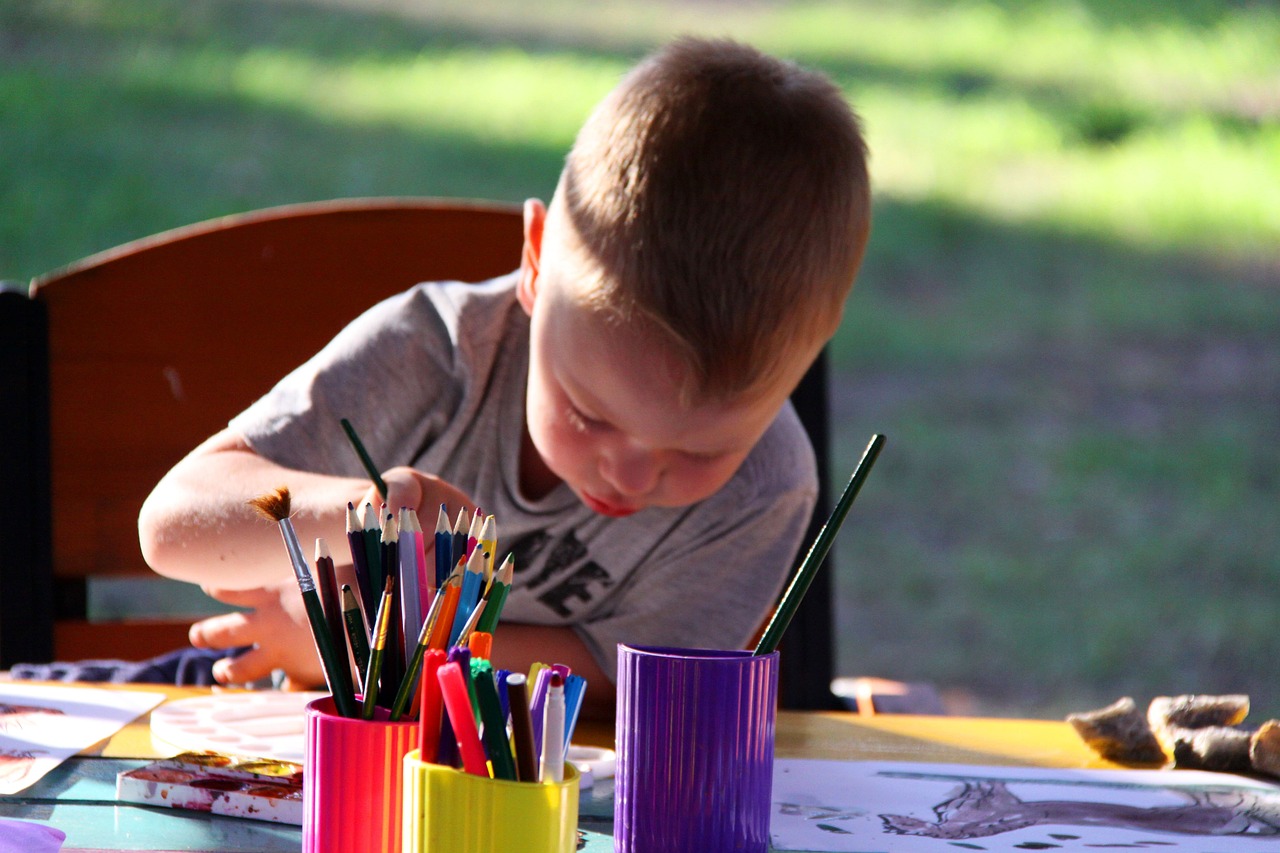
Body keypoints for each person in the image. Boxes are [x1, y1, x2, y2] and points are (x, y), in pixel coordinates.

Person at [137, 36, 871, 717]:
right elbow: (171, 524)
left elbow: (628, 687)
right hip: (284, 725)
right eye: (589, 414)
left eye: (700, 451)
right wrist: (369, 514)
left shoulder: (766, 487)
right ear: (535, 260)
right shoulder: (435, 355)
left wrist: (375, 653)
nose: (631, 476)